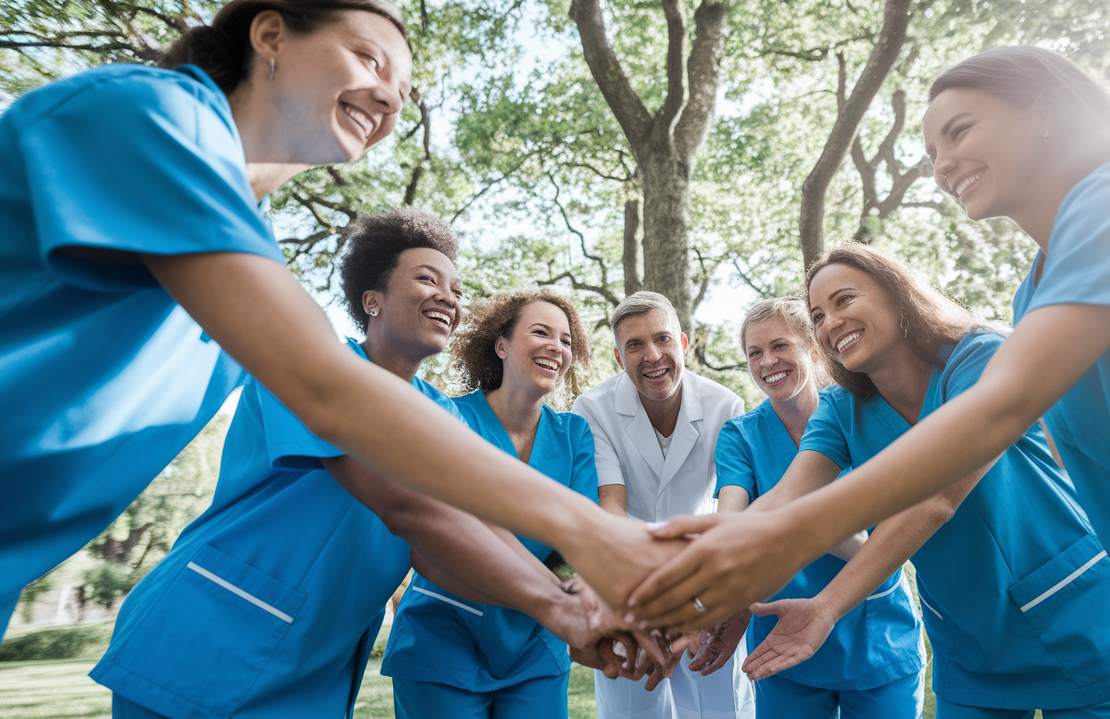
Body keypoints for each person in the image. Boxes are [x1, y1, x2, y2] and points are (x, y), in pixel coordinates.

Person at [0, 0, 672, 632]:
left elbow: (427, 505)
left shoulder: (254, 245)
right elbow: (334, 395)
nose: (387, 97)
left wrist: (561, 604)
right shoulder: (155, 115)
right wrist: (584, 528)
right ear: (271, 34)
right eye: (368, 58)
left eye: (402, 96)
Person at [629, 47, 1110, 717]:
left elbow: (986, 430)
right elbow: (781, 500)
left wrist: (782, 553)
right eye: (817, 315)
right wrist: (679, 574)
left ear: (1047, 113)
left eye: (959, 132)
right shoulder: (1034, 295)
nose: (941, 166)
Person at [90, 210, 614, 719]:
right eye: (427, 279)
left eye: (457, 289)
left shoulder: (444, 414)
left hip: (315, 667)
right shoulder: (312, 364)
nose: (448, 298)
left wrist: (580, 605)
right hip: (208, 637)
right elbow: (407, 505)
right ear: (373, 300)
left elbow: (464, 537)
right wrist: (563, 609)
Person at [746, 247, 1110, 717]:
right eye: (818, 316)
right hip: (969, 647)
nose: (830, 323)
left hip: (1082, 618)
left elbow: (936, 499)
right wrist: (691, 587)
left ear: (897, 296)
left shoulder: (980, 359)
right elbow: (783, 500)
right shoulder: (841, 410)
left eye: (844, 300)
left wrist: (827, 605)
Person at [380, 288, 601, 719]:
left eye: (566, 340)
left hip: (537, 641)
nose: (557, 347)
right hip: (444, 631)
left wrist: (561, 599)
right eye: (541, 332)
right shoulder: (447, 418)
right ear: (501, 345)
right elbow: (433, 539)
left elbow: (579, 540)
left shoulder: (574, 435)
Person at [712, 297, 926, 719]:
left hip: (876, 634)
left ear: (812, 348)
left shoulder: (860, 415)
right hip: (781, 641)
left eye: (779, 346)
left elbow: (879, 549)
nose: (767, 361)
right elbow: (729, 530)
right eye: (754, 353)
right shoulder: (739, 435)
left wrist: (781, 520)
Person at [573, 292, 755, 719]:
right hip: (626, 580)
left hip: (704, 580)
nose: (652, 355)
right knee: (633, 704)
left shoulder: (724, 406)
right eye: (634, 345)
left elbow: (733, 505)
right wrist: (646, 597)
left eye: (663, 339)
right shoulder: (592, 409)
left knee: (718, 707)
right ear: (619, 358)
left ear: (684, 343)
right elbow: (610, 508)